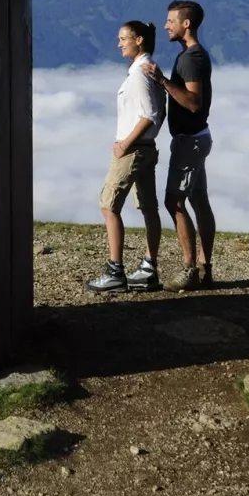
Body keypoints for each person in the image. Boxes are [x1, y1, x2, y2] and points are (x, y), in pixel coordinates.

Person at [86, 20, 166, 293]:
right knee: (148, 207)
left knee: (109, 206)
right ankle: (148, 268)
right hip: (147, 148)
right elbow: (158, 113)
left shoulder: (140, 74)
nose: (119, 43)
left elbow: (149, 115)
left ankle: (115, 272)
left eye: (123, 38)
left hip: (132, 149)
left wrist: (124, 145)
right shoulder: (149, 70)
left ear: (139, 40)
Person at [142, 0, 215, 291]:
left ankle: (189, 269)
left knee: (175, 201)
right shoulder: (192, 55)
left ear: (186, 23)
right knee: (199, 201)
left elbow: (193, 103)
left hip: (189, 142)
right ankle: (205, 268)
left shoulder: (190, 59)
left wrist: (161, 81)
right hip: (198, 138)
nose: (166, 25)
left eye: (170, 20)